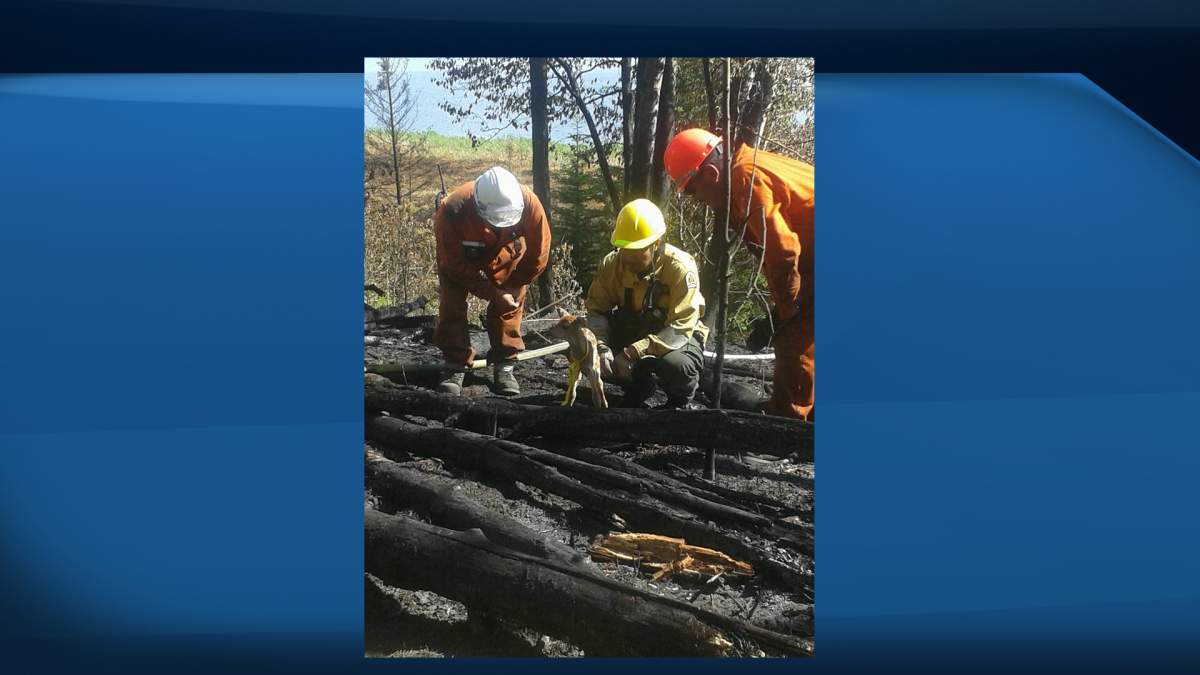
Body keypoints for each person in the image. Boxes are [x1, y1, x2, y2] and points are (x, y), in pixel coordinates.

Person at [663, 128, 814, 420]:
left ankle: (786, 429)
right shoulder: (746, 168)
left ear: (710, 174)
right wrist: (781, 310)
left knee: (794, 341)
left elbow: (782, 252)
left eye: (692, 190)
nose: (697, 200)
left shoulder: (747, 179)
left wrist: (783, 313)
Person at [433, 166, 551, 396]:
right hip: (462, 258)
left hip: (507, 252)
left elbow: (539, 253)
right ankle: (455, 364)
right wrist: (490, 291)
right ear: (479, 206)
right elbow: (451, 264)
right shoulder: (452, 210)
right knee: (451, 303)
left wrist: (515, 284)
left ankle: (504, 365)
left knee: (510, 303)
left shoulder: (530, 205)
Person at [584, 198, 708, 409]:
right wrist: (602, 347)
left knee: (678, 366)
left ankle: (680, 401)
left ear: (656, 244)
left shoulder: (680, 268)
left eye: (637, 250)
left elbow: (679, 328)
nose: (627, 257)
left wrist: (632, 352)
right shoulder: (612, 265)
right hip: (634, 331)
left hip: (675, 338)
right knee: (585, 349)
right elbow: (596, 311)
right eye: (623, 248)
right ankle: (638, 388)